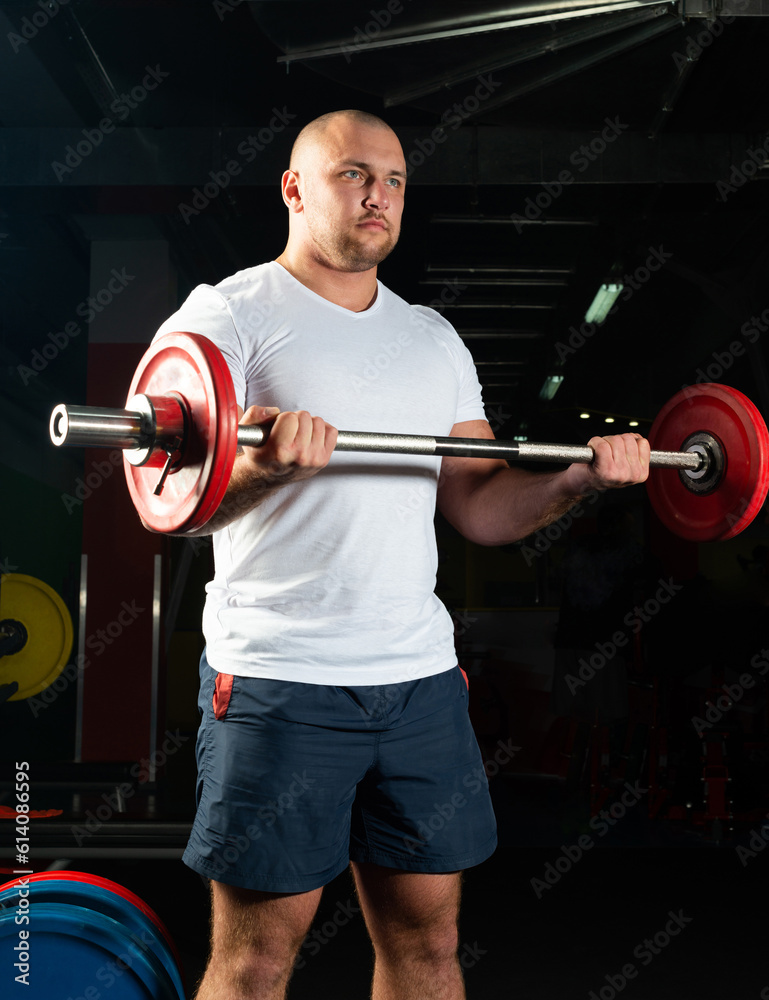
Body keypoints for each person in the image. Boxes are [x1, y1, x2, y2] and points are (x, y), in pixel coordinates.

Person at [152, 109, 650, 1000]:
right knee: (258, 959)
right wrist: (264, 466)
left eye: (392, 181)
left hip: (418, 682)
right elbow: (176, 503)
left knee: (429, 947)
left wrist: (576, 481)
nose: (377, 195)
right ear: (295, 189)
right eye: (351, 175)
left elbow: (480, 507)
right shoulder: (227, 316)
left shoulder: (431, 339)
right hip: (280, 680)